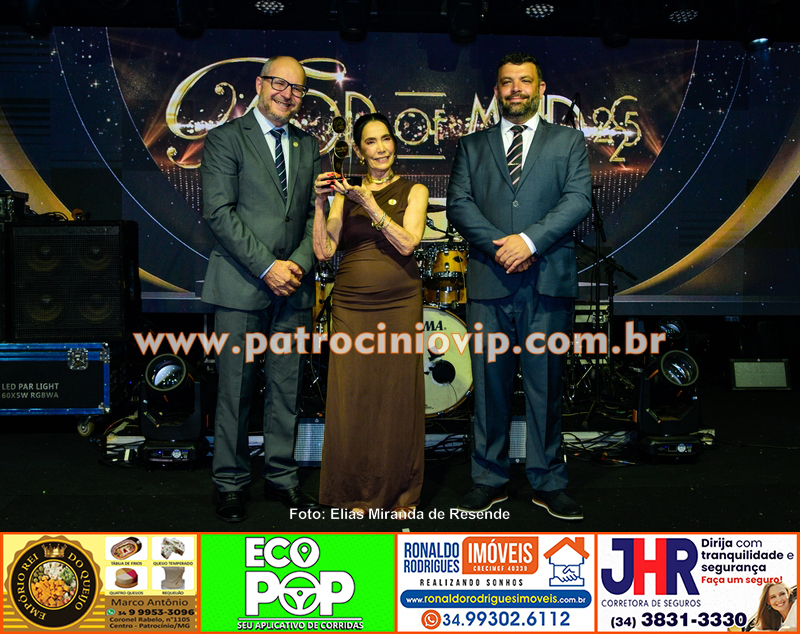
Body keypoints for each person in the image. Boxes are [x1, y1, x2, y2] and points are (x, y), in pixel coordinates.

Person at [446, 52, 591, 520]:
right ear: (497, 91)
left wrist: (528, 241)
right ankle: (488, 479)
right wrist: (501, 247)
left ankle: (548, 481)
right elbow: (459, 205)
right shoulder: (472, 146)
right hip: (490, 282)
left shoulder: (569, 141)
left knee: (546, 386)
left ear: (540, 88)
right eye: (507, 82)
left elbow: (578, 200)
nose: (515, 90)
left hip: (547, 282)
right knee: (490, 387)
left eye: (524, 81)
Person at [201, 55, 320, 522]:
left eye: (297, 88)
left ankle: (282, 478)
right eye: (279, 84)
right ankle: (230, 483)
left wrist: (297, 266)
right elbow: (219, 213)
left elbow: (312, 216)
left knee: (287, 390)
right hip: (240, 284)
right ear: (259, 84)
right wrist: (268, 266)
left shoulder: (309, 145)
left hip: (294, 287)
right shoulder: (226, 138)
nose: (287, 94)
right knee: (235, 390)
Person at [313, 112, 428, 518]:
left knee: (397, 395)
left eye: (386, 139)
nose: (381, 148)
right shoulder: (345, 194)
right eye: (371, 142)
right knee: (353, 397)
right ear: (359, 151)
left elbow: (408, 243)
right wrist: (321, 202)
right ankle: (353, 493)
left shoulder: (414, 190)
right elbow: (324, 251)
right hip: (351, 305)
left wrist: (370, 203)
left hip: (400, 302)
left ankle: (401, 495)